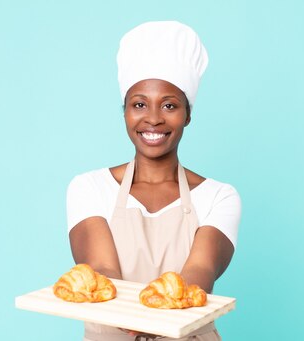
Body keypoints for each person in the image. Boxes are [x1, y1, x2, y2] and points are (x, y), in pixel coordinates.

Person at [66, 21, 241, 340]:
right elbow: (102, 272)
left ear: (188, 114)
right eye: (140, 104)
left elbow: (198, 275)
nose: (154, 118)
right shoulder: (89, 188)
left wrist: (149, 318)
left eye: (170, 105)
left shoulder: (218, 196)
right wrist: (138, 319)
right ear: (125, 113)